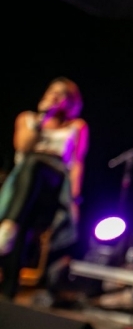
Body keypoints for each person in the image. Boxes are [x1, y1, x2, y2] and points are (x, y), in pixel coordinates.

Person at [0, 77, 89, 299]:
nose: (55, 96)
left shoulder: (76, 127)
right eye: (52, 91)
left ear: (71, 102)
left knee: (36, 164)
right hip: (23, 184)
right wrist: (42, 120)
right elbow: (23, 147)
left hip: (55, 186)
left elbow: (76, 164)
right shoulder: (28, 118)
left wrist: (75, 199)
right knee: (23, 221)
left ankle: (7, 225)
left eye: (62, 94)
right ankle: (9, 288)